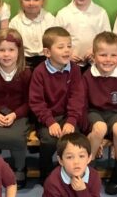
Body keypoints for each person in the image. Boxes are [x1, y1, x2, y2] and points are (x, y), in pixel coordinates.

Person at [29, 26, 86, 182]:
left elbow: (77, 97)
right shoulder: (39, 72)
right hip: (47, 118)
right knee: (48, 140)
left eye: (69, 46)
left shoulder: (74, 70)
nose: (66, 50)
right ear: (47, 52)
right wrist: (50, 122)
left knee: (74, 140)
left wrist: (71, 120)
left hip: (68, 117)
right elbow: (37, 102)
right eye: (60, 47)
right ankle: (46, 176)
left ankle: (72, 173)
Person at [83, 32, 117, 195]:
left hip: (114, 113)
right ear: (94, 55)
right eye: (103, 54)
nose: (108, 59)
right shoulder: (86, 76)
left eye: (113, 55)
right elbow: (81, 107)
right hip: (93, 114)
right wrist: (87, 131)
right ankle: (86, 171)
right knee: (99, 128)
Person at [0, 29, 32, 188]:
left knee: (16, 137)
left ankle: (20, 167)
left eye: (11, 50)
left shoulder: (26, 73)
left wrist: (15, 115)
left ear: (19, 51)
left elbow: (30, 102)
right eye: (1, 50)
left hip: (18, 114)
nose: (6, 54)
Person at [55, 0, 111, 69]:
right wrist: (67, 54)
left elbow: (107, 40)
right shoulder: (63, 14)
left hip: (94, 65)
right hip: (68, 65)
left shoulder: (101, 13)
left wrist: (94, 51)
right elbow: (56, 41)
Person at [8, 0, 57, 69]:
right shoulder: (15, 23)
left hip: (47, 61)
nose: (31, 3)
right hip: (24, 62)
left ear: (43, 0)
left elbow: (56, 42)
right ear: (20, 0)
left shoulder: (50, 19)